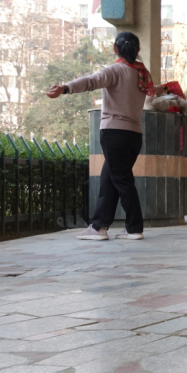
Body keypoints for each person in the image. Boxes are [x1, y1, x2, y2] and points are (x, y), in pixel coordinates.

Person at [45, 31, 151, 241]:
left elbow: (91, 81)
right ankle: (99, 226)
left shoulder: (115, 70)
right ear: (137, 50)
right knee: (109, 179)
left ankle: (134, 228)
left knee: (122, 180)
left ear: (115, 49)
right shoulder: (143, 74)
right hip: (134, 135)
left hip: (114, 132)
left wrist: (65, 88)